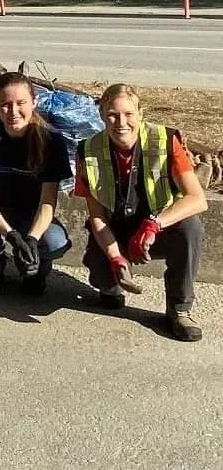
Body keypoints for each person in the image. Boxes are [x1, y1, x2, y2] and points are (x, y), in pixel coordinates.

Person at [75, 83, 208, 342]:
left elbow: (197, 199)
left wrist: (153, 225)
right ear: (102, 114)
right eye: (112, 114)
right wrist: (115, 257)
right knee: (106, 284)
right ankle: (112, 284)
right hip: (116, 231)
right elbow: (97, 218)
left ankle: (179, 310)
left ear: (140, 113)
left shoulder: (166, 140)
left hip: (158, 228)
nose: (120, 122)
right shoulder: (88, 150)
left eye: (128, 114)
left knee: (191, 228)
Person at [0, 72, 73, 294]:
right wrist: (11, 236)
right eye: (5, 105)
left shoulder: (52, 141)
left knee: (53, 241)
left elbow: (47, 202)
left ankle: (38, 269)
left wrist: (31, 239)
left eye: (20, 103)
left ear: (34, 102)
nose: (13, 112)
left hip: (32, 214)